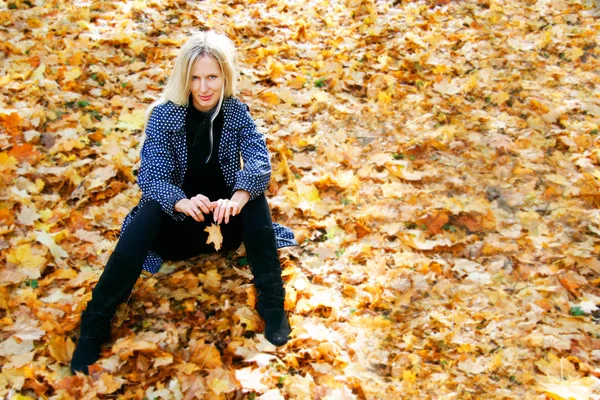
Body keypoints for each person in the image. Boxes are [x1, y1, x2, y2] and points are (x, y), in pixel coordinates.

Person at [70, 31, 297, 375]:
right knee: (149, 207)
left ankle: (272, 300)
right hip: (179, 227)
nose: (204, 87)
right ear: (184, 78)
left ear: (225, 77)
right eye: (195, 78)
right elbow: (151, 176)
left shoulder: (236, 112)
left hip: (224, 223)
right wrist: (180, 201)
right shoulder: (164, 115)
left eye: (212, 77)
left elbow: (258, 161)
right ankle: (96, 318)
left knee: (255, 196)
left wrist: (237, 198)